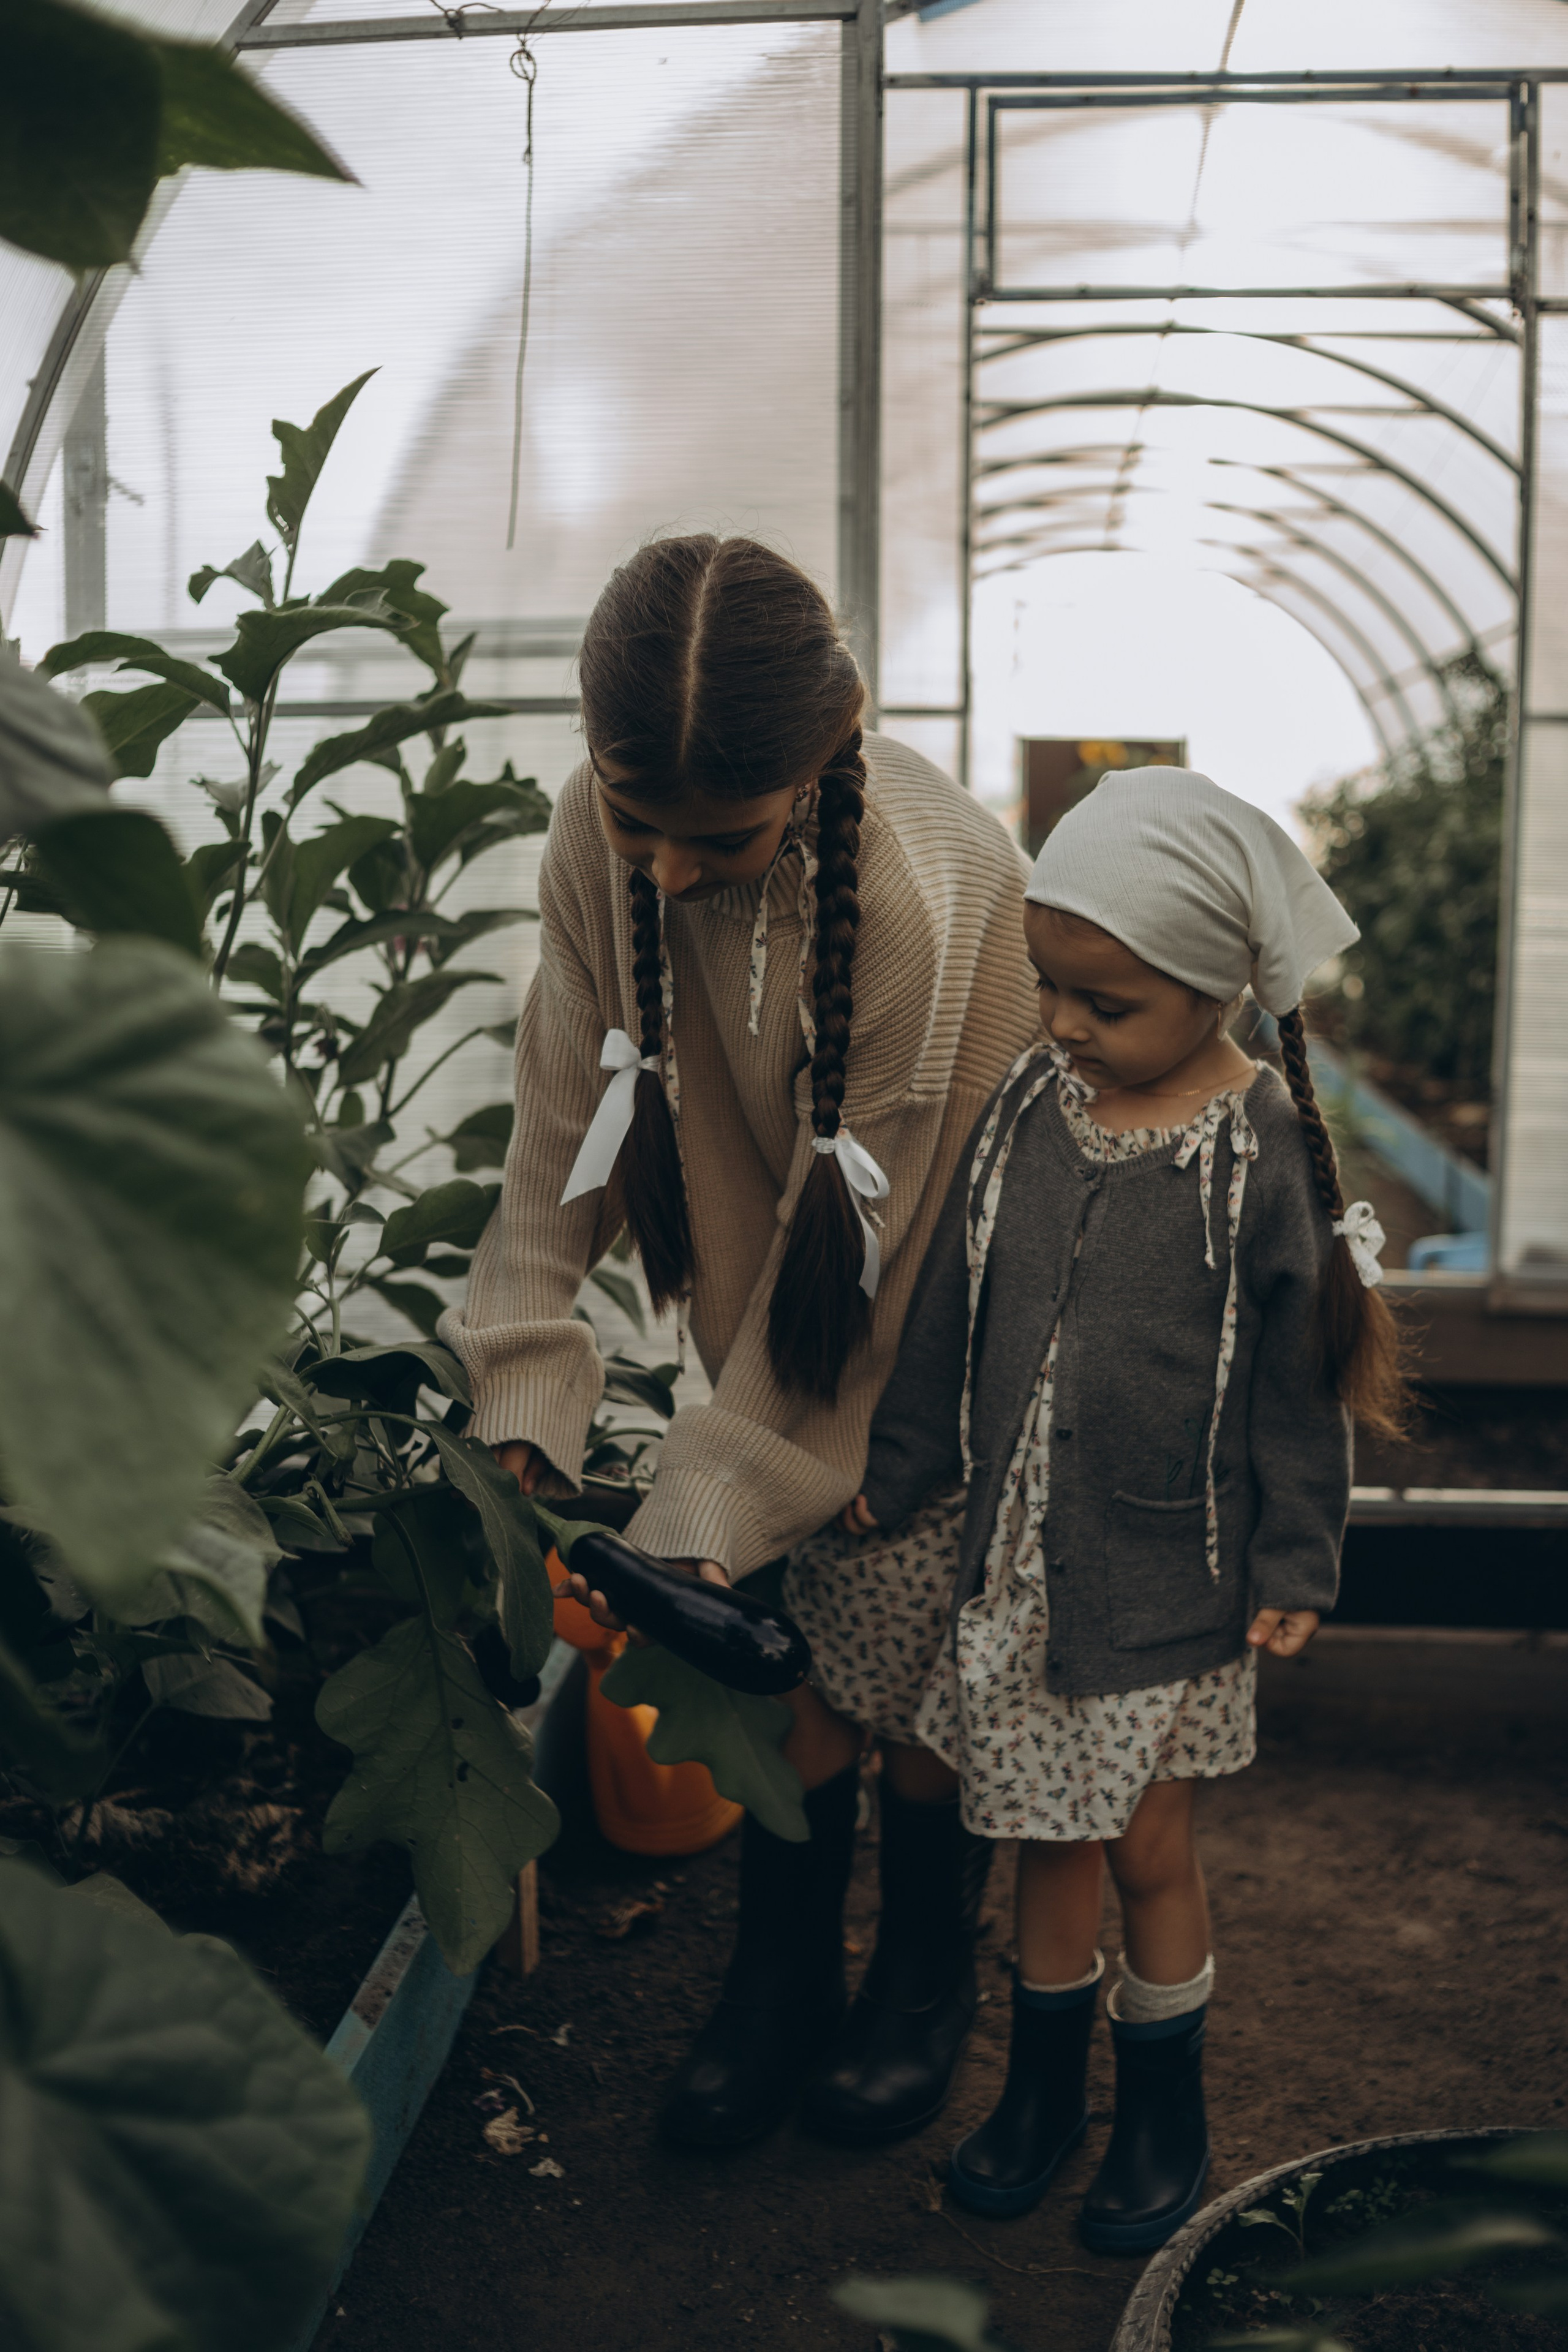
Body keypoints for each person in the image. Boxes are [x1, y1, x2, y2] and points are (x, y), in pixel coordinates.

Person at [439, 534, 1039, 2149]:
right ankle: (776, 1981)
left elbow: (869, 1259)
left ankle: (923, 1978)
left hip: (954, 1318)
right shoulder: (603, 832)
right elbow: (565, 1114)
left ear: (825, 758)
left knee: (906, 1656)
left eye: (721, 840)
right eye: (637, 822)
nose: (669, 869)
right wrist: (521, 1376)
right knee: (786, 1646)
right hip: (805, 1303)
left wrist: (703, 1511)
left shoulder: (921, 897)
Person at [835, 767, 1404, 2249]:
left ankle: (1162, 2112)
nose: (1065, 1027)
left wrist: (1298, 1552)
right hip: (1020, 1570)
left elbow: (1299, 1373)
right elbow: (950, 1303)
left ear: (1215, 988)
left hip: (1170, 1572)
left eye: (1105, 1004)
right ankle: (1037, 2095)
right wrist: (897, 1472)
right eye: (1048, 990)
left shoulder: (1255, 1142)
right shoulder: (1034, 1102)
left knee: (1147, 1848)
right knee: (1044, 1841)